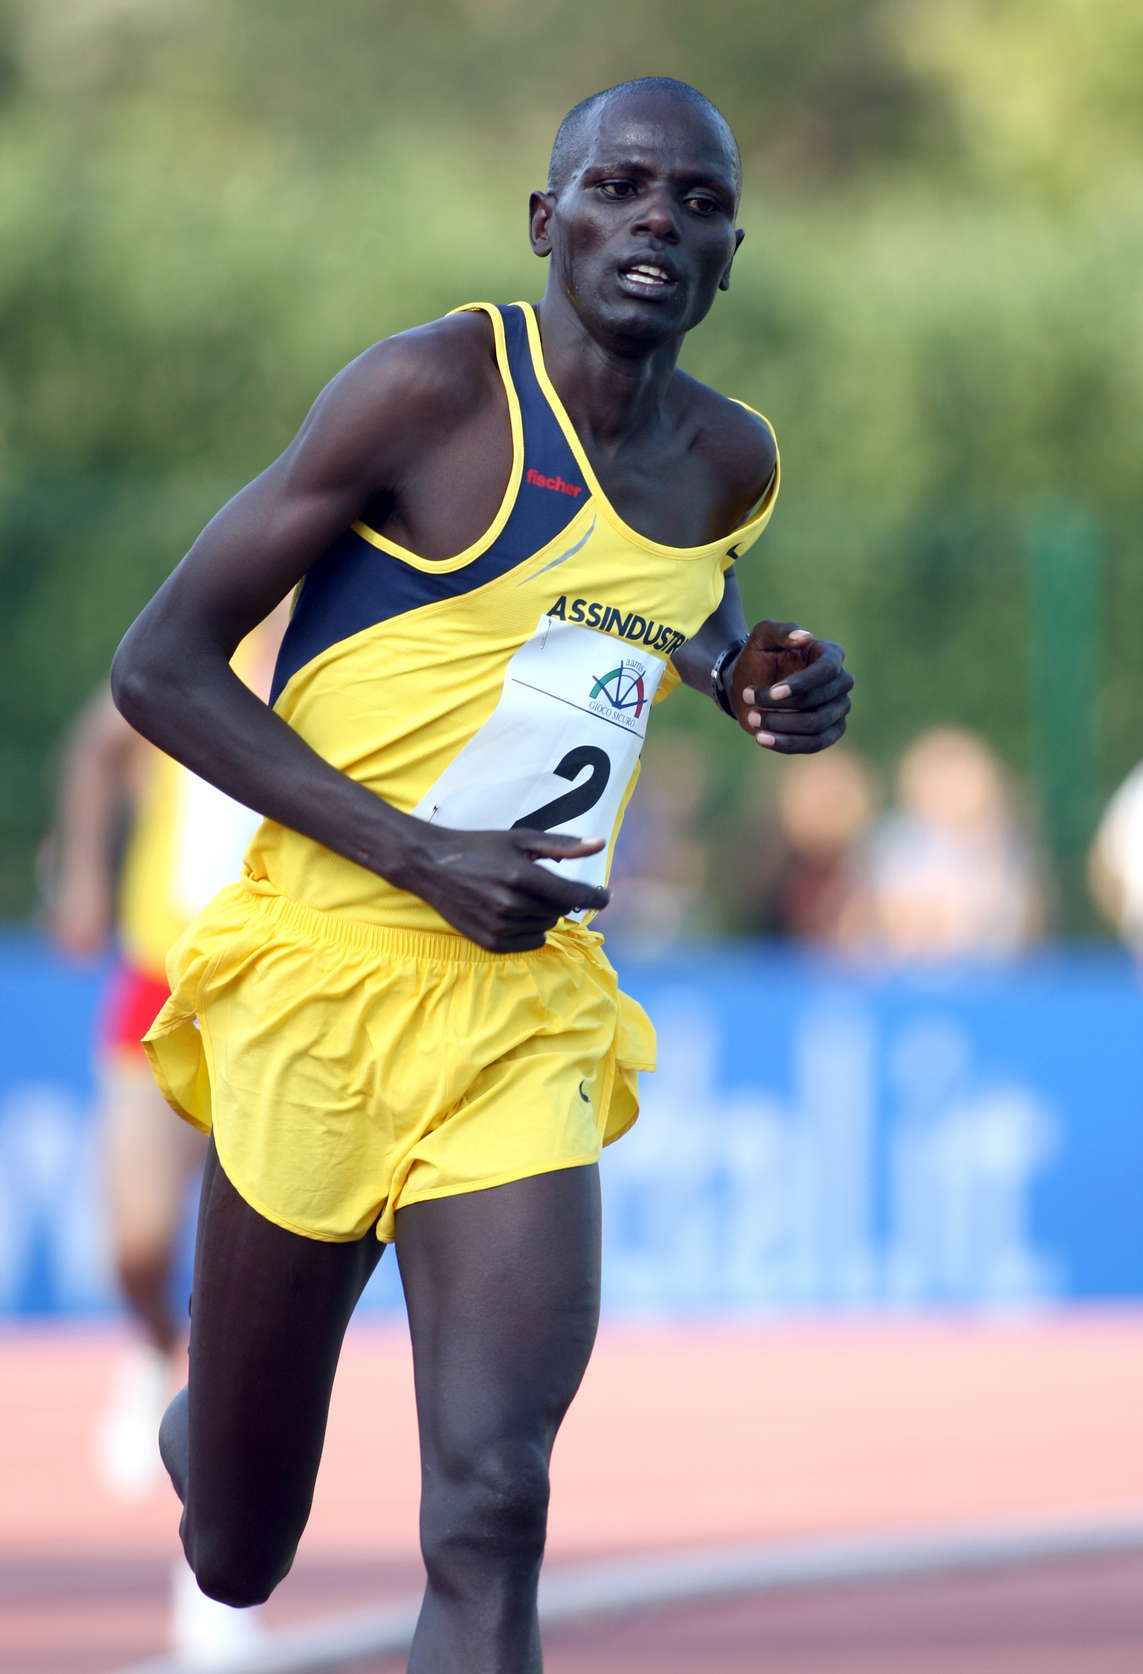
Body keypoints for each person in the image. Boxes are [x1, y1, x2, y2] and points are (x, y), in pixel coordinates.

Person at [111, 77, 853, 1672]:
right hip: (324, 980)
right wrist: (419, 854)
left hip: (522, 1004)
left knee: (493, 1501)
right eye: (618, 186)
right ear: (544, 220)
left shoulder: (728, 462)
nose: (657, 220)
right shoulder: (430, 392)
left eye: (698, 203)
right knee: (238, 1549)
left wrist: (741, 676)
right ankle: (215, 1423)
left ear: (729, 257)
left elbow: (662, 601)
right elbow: (157, 665)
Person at [46, 615, 283, 1661]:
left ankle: (218, 1594)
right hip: (159, 980)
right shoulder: (208, 634)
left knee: (243, 1310)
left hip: (282, 1005)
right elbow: (93, 745)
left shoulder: (350, 641)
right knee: (137, 1247)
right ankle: (150, 1347)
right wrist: (84, 876)